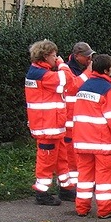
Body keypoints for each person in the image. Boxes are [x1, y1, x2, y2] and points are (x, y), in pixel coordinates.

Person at [72, 54, 111, 218]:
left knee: (84, 176)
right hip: (101, 142)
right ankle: (105, 210)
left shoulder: (83, 87)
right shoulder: (108, 90)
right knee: (103, 178)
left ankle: (82, 208)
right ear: (107, 70)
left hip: (82, 141)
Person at [25, 40, 74, 206]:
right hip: (47, 127)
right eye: (54, 55)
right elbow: (68, 79)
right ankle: (41, 193)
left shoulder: (38, 72)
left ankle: (66, 188)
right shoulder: (42, 75)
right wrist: (62, 64)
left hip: (52, 125)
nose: (56, 58)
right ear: (45, 56)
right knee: (46, 161)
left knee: (62, 159)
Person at [61, 42, 94, 195]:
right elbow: (74, 87)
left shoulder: (81, 68)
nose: (89, 59)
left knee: (79, 155)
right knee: (70, 157)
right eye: (86, 56)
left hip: (80, 119)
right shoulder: (67, 70)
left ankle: (79, 184)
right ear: (76, 56)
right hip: (69, 120)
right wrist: (88, 72)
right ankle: (68, 188)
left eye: (90, 56)